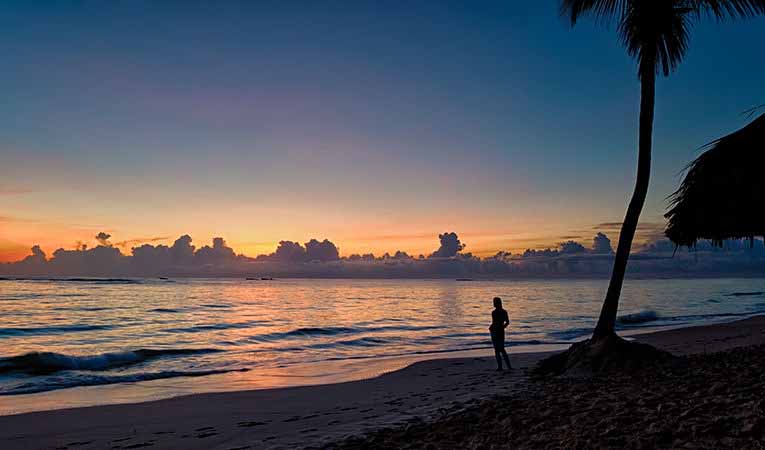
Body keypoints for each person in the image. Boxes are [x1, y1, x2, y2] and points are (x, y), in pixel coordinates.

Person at [489, 296, 512, 371]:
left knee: (501, 349)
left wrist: (502, 327)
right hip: (496, 331)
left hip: (498, 331)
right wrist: (502, 327)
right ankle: (502, 367)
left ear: (498, 303)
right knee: (498, 349)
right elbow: (505, 322)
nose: (493, 304)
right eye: (493, 302)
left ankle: (506, 367)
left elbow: (507, 322)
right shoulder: (496, 312)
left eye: (495, 302)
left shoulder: (499, 312)